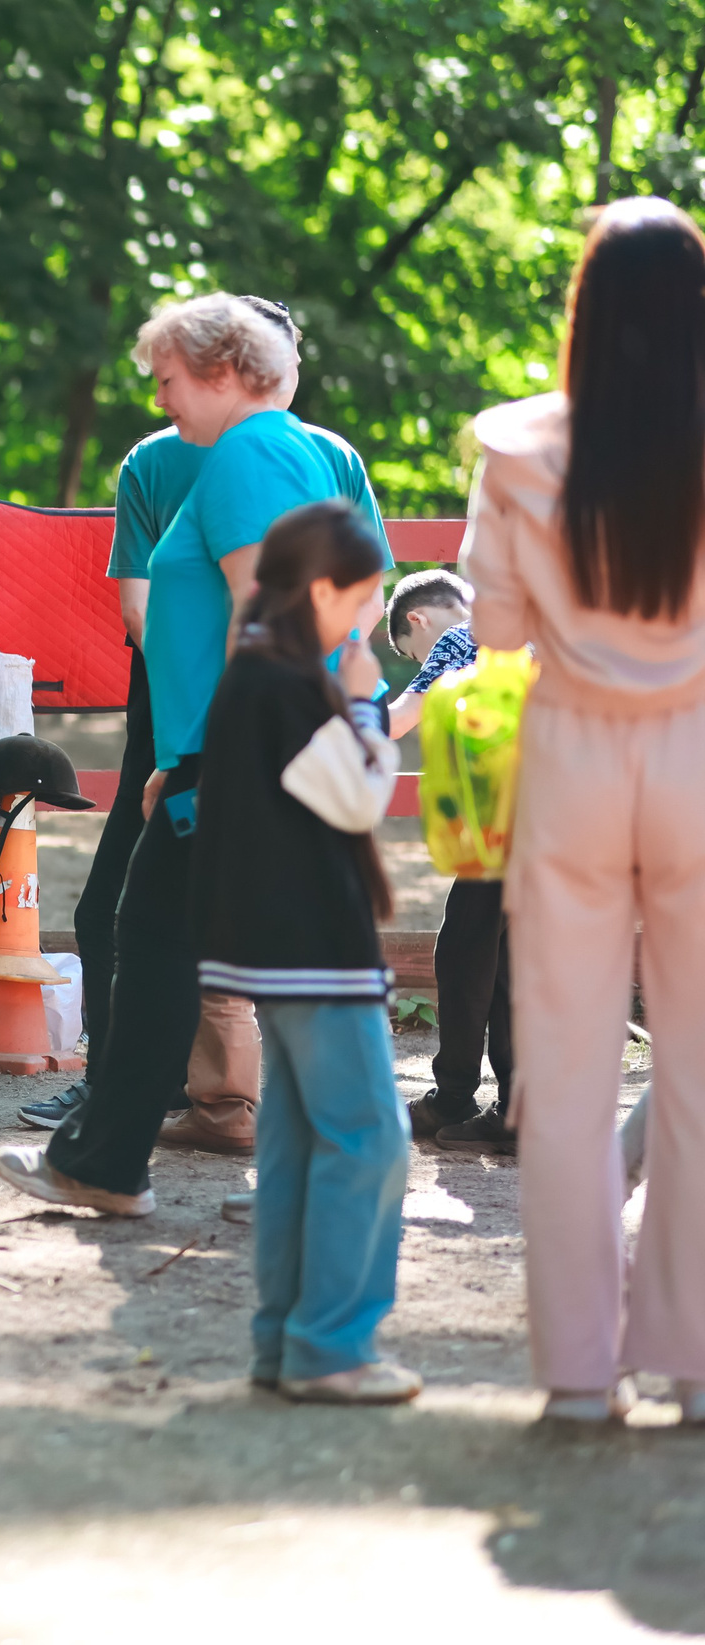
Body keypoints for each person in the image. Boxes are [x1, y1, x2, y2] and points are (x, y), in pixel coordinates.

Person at [0, 293, 380, 1214]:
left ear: (218, 369)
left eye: (166, 380)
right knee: (162, 942)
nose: (160, 400)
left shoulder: (250, 452)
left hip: (248, 751)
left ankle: (308, 1171)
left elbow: (275, 611)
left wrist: (225, 754)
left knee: (207, 950)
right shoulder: (260, 453)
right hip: (227, 748)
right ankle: (109, 1160)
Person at [465, 196, 705, 1427]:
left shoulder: (517, 452)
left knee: (558, 1070)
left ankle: (573, 1371)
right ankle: (693, 1354)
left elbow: (493, 642)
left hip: (563, 758)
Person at [189, 500, 415, 1404]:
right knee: (369, 1141)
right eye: (363, 598)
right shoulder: (284, 683)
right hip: (311, 952)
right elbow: (358, 795)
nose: (367, 619)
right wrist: (364, 696)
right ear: (324, 589)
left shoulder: (256, 674)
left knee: (297, 1144)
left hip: (264, 950)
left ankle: (286, 1338)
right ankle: (333, 1344)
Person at [382, 569, 515, 1154]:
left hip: (510, 815)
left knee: (463, 953)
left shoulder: (462, 635)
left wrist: (320, 730)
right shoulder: (527, 626)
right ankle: (514, 1107)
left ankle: (454, 1096)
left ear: (418, 620)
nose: (421, 660)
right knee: (508, 959)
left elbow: (400, 717)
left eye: (412, 654)